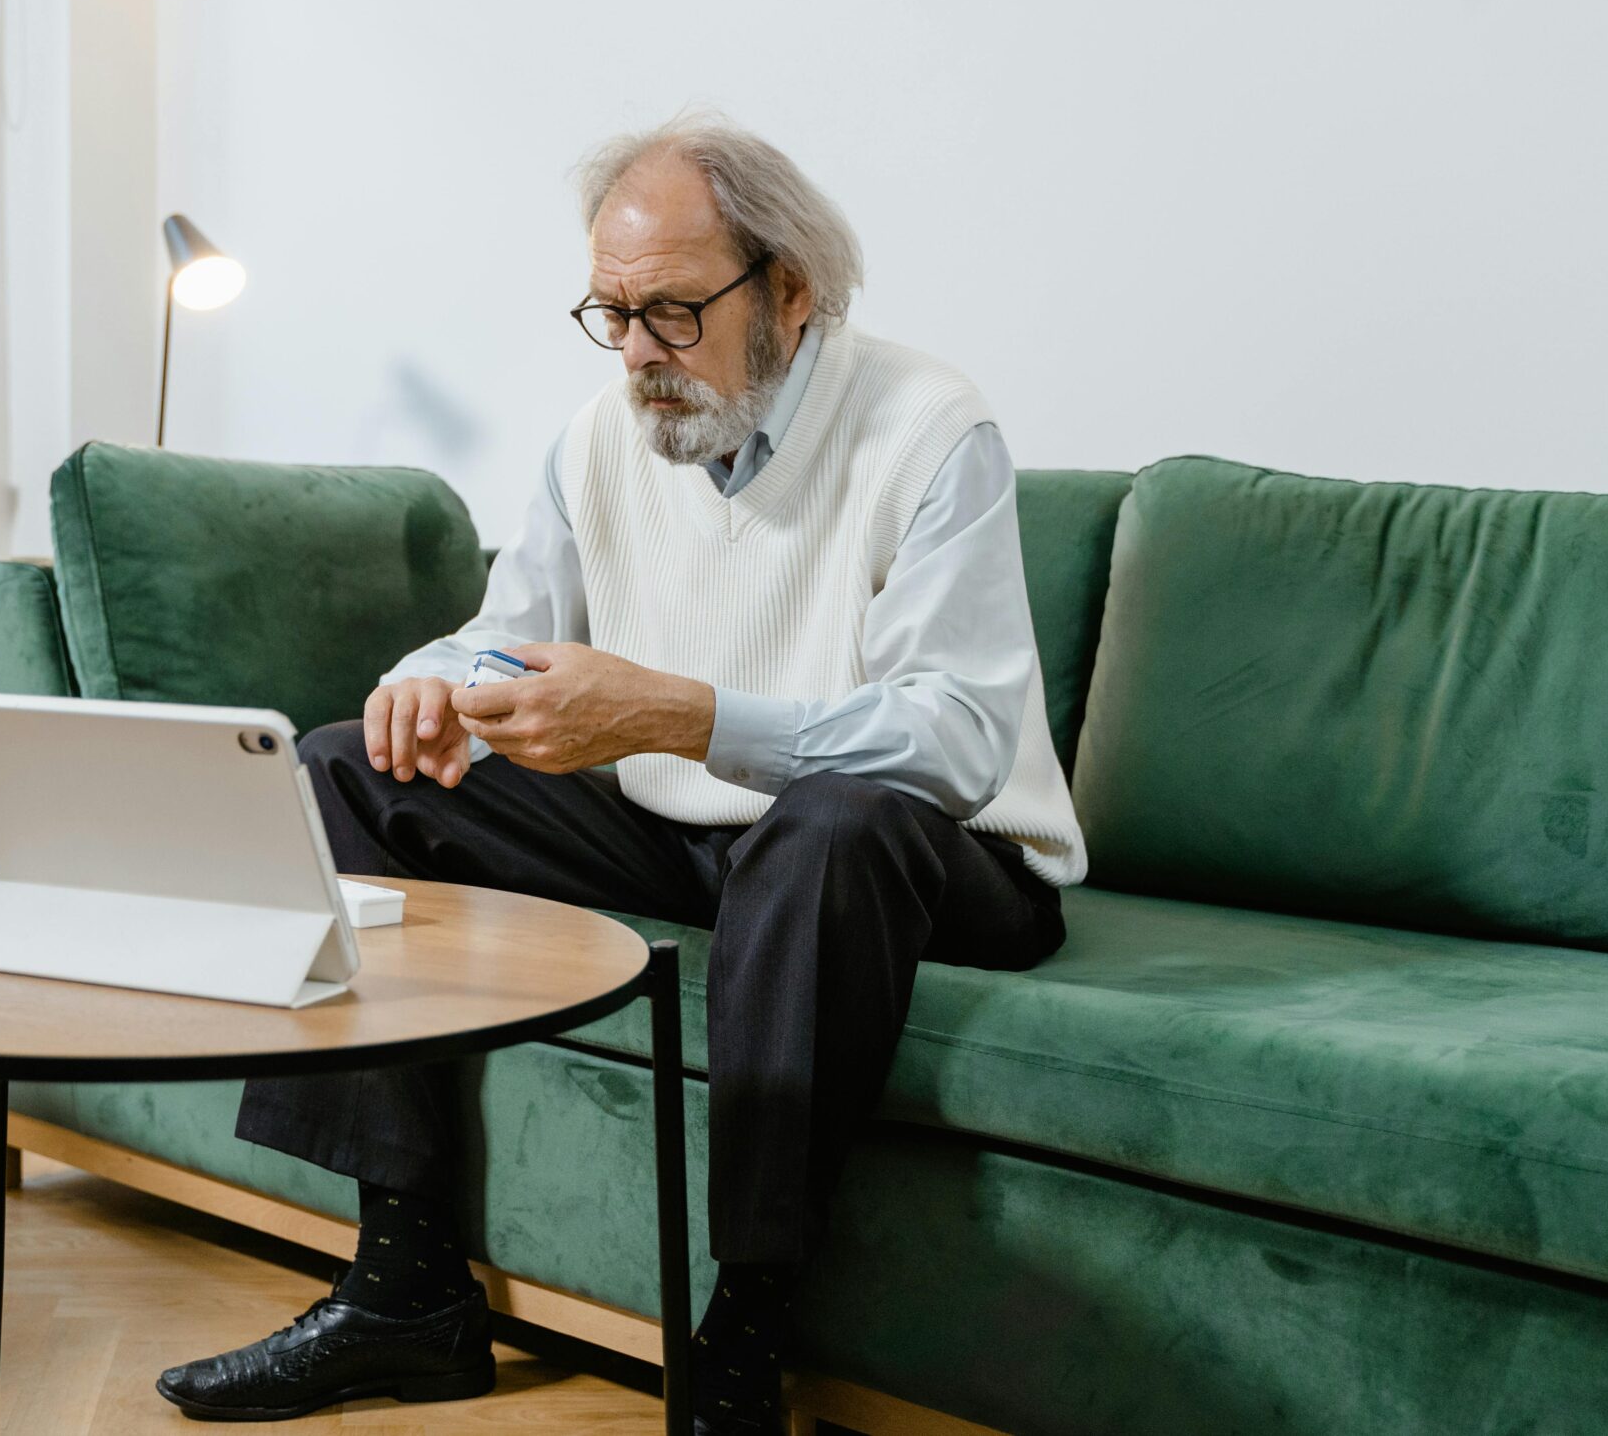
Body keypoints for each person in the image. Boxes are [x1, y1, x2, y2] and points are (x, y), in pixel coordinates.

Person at [156, 112, 1086, 1431]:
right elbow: (509, 625)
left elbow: (954, 739)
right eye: (611, 314)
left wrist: (678, 714)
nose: (639, 353)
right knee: (344, 768)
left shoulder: (930, 426)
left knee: (827, 825)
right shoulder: (602, 436)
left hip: (948, 856)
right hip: (701, 833)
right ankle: (404, 1286)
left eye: (672, 313)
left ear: (792, 290)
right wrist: (429, 677)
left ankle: (744, 1338)